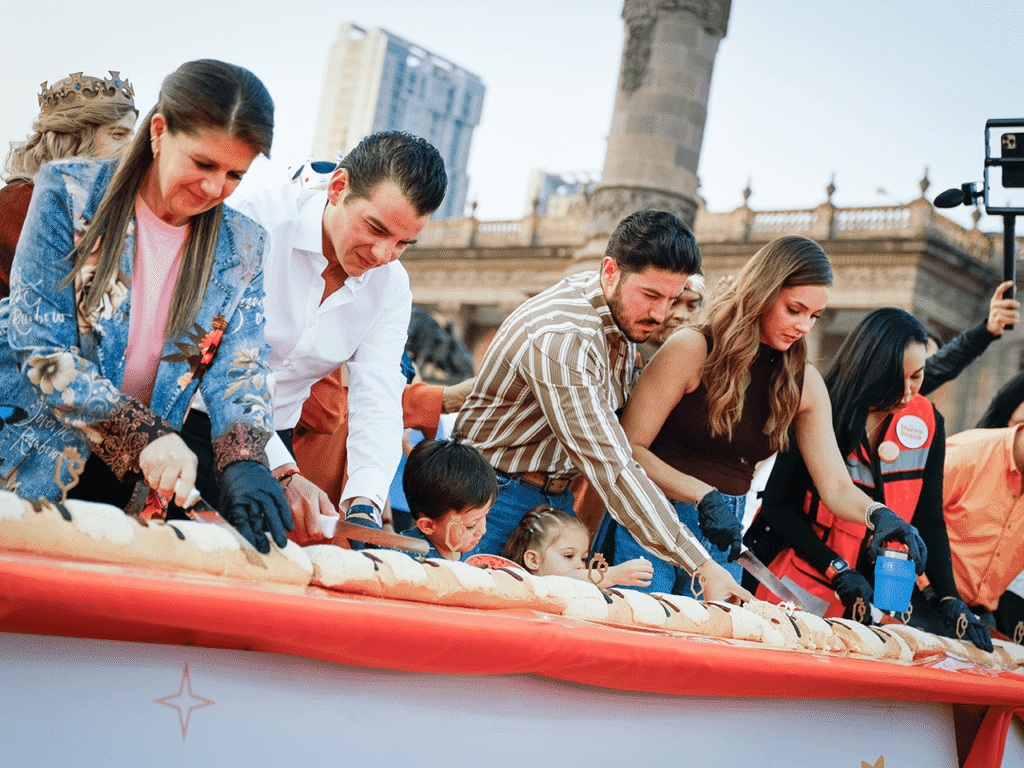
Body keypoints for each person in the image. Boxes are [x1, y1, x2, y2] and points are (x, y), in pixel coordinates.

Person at [0, 60, 291, 553]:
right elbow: (41, 349)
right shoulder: (66, 192)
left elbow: (239, 365)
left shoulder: (244, 243)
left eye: (235, 174)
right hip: (27, 455)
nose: (215, 189)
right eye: (202, 163)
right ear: (159, 131)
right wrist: (144, 432)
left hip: (131, 481)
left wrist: (245, 460)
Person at [454, 208, 751, 604]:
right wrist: (701, 564)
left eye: (673, 298)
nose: (661, 314)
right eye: (650, 295)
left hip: (553, 504)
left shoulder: (617, 315)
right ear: (610, 271)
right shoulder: (564, 336)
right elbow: (612, 466)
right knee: (472, 627)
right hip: (493, 498)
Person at [610, 237, 928, 597]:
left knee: (706, 647)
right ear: (761, 293)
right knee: (643, 640)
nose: (804, 327)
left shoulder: (803, 381)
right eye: (795, 310)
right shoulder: (692, 348)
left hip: (725, 534)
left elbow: (836, 487)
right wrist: (702, 495)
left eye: (814, 316)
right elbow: (627, 448)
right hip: (651, 520)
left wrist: (880, 516)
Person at [182, 131, 447, 544]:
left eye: (402, 243)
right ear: (339, 187)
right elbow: (209, 357)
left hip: (278, 439)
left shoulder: (391, 286)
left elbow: (377, 393)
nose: (382, 255)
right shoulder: (255, 221)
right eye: (375, 229)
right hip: (189, 418)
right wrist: (283, 470)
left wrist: (365, 501)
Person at [749, 308, 990, 650]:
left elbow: (929, 520)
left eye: (917, 377)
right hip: (797, 583)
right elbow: (778, 506)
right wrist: (837, 569)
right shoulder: (822, 404)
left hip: (877, 599)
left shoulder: (927, 422)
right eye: (898, 379)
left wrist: (949, 597)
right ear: (872, 369)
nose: (908, 392)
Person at [1, 71, 138, 299]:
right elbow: (72, 294)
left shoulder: (99, 207)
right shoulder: (19, 202)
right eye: (118, 135)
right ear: (76, 139)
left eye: (131, 136)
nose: (130, 149)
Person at [502, 505, 654, 587]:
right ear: (533, 560)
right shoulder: (520, 585)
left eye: (583, 558)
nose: (580, 566)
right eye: (568, 556)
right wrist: (613, 574)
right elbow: (564, 580)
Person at [400, 438, 497, 560]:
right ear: (428, 526)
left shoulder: (470, 551)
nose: (483, 530)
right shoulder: (407, 558)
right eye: (471, 525)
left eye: (485, 516)